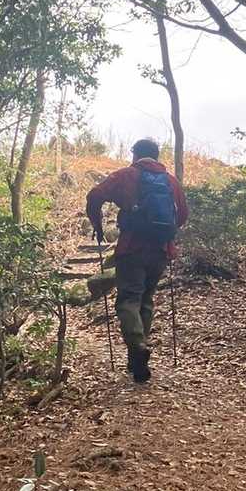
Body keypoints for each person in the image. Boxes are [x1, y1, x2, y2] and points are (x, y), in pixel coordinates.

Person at [85, 139, 188, 382]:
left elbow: (95, 195)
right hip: (161, 250)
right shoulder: (171, 181)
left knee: (129, 300)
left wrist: (98, 226)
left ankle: (138, 346)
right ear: (156, 155)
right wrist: (162, 232)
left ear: (136, 155)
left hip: (131, 249)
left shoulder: (126, 175)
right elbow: (182, 215)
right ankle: (136, 360)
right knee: (146, 301)